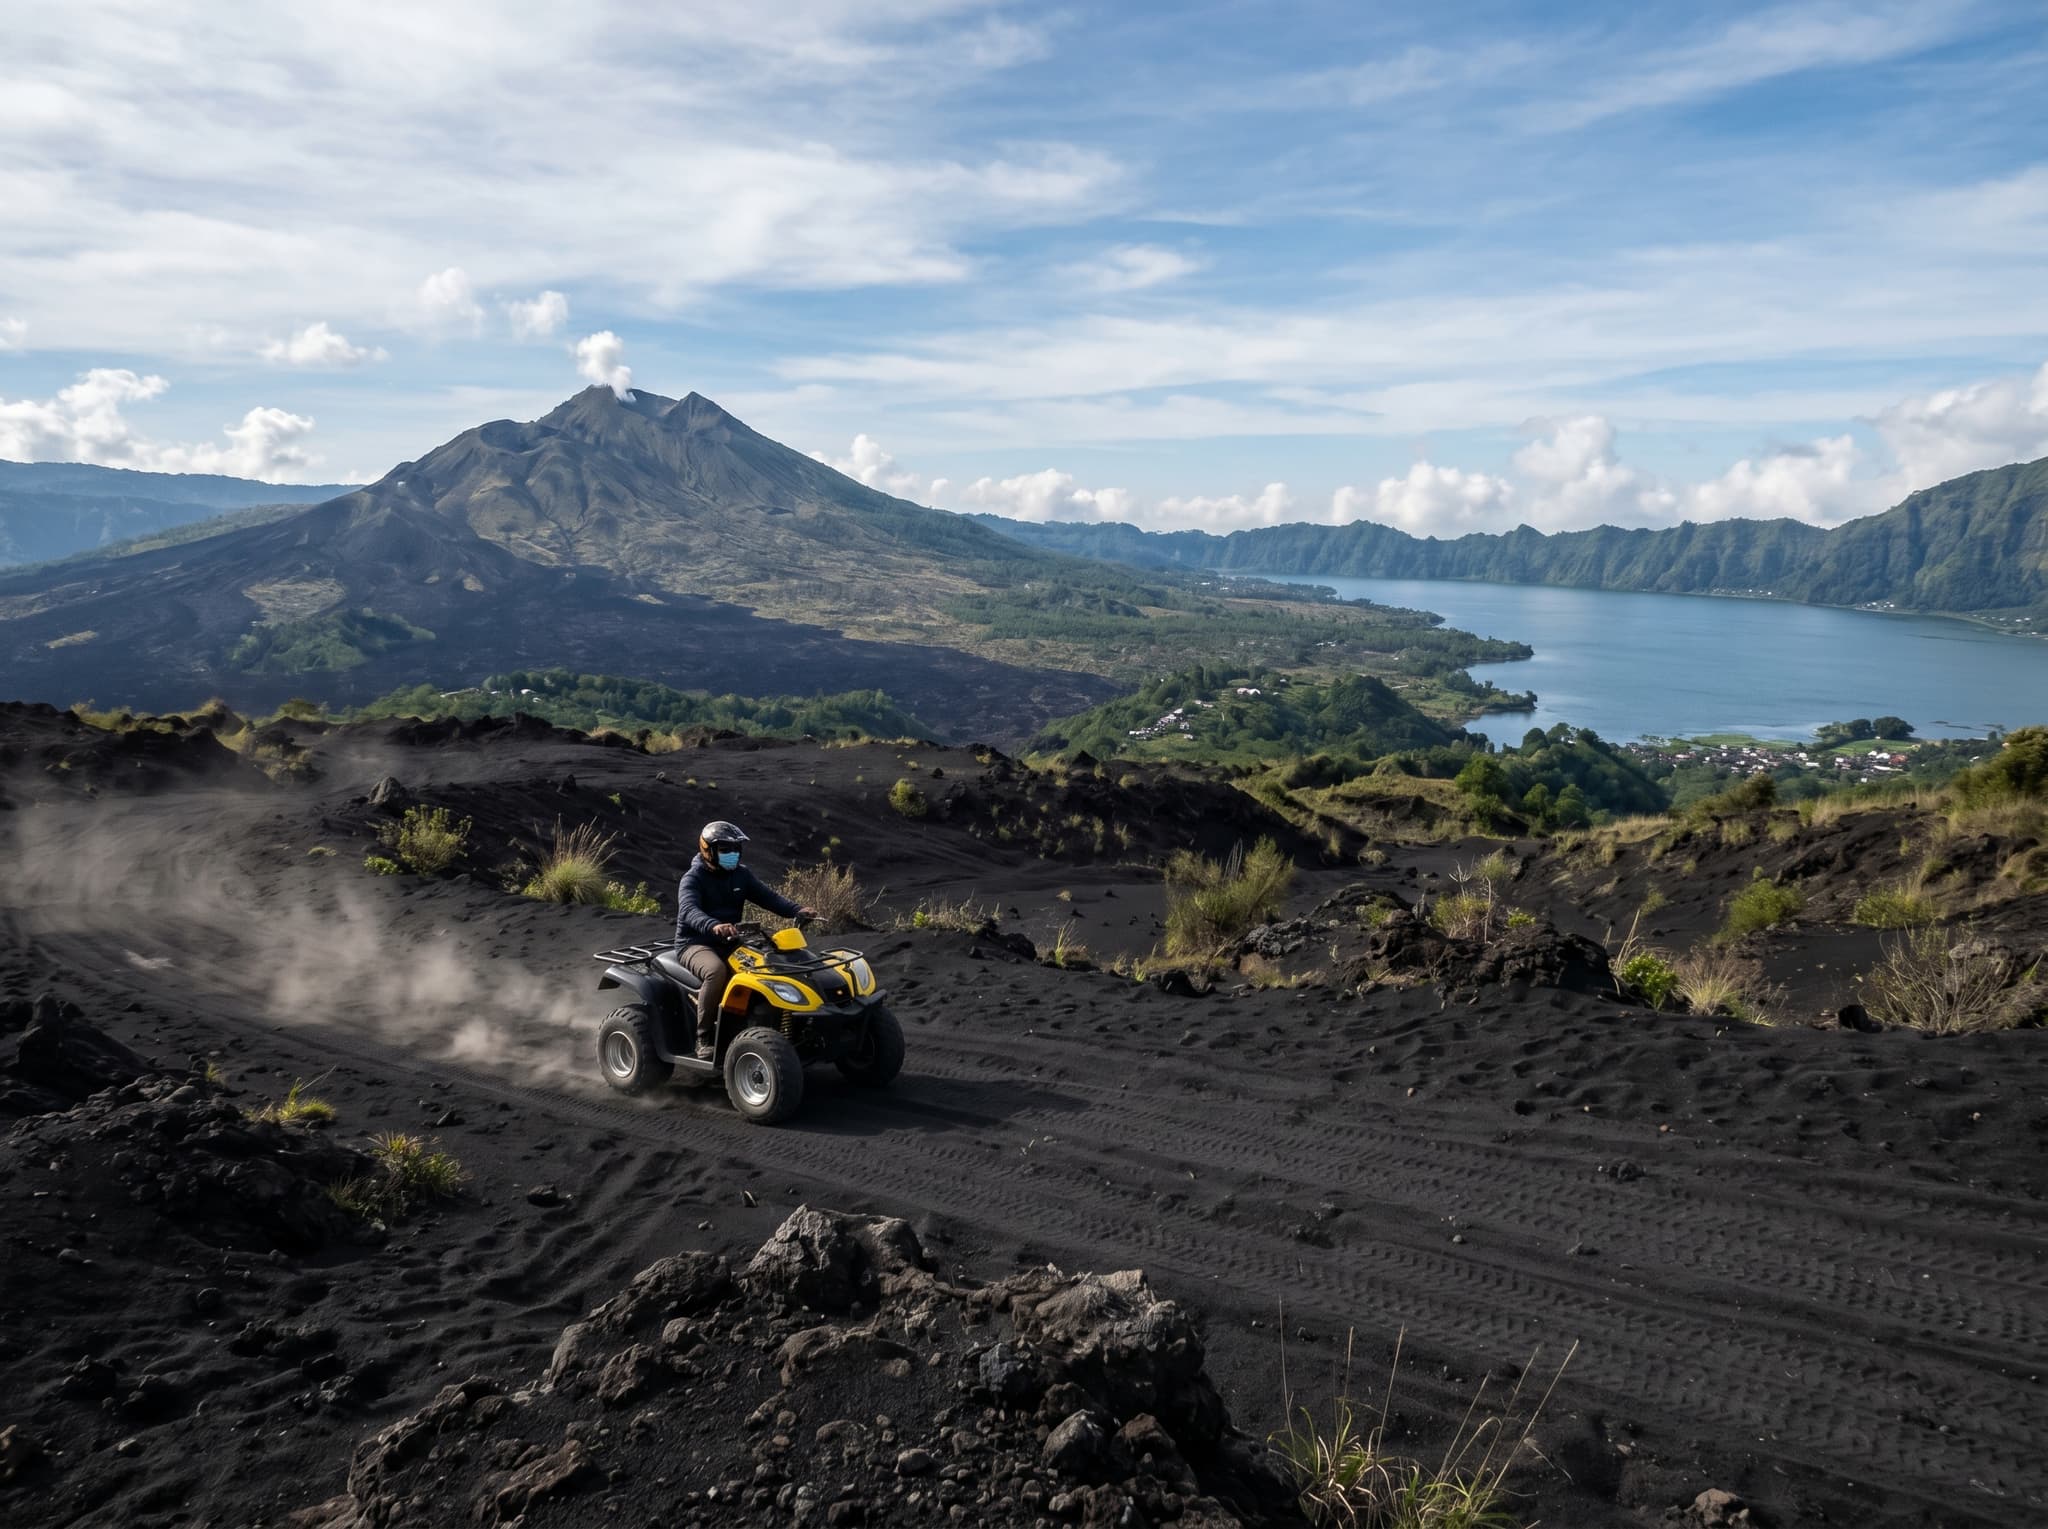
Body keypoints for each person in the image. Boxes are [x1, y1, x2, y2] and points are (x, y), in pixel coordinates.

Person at [674, 820, 815, 1059]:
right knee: (715, 972)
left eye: (736, 849)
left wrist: (796, 910)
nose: (733, 854)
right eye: (726, 849)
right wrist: (714, 925)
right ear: (707, 850)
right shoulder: (693, 878)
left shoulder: (741, 875)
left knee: (771, 963)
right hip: (696, 943)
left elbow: (769, 898)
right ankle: (704, 1038)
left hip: (731, 940)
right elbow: (689, 911)